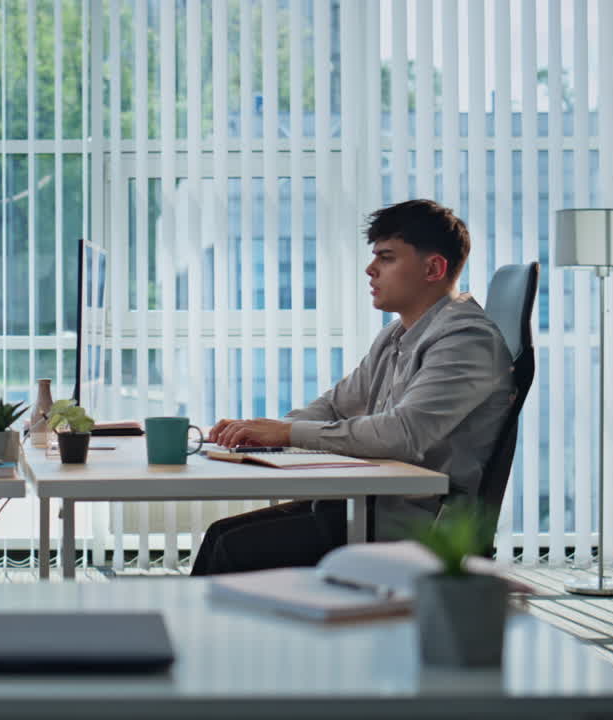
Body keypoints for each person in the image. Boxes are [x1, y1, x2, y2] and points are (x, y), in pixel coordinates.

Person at [192, 199, 515, 576]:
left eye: (387, 258)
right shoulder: (397, 334)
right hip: (369, 505)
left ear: (434, 267)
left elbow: (403, 434)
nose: (370, 269)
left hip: (412, 524)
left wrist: (287, 432)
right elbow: (336, 404)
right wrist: (262, 434)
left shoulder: (465, 339)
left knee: (232, 548)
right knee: (221, 536)